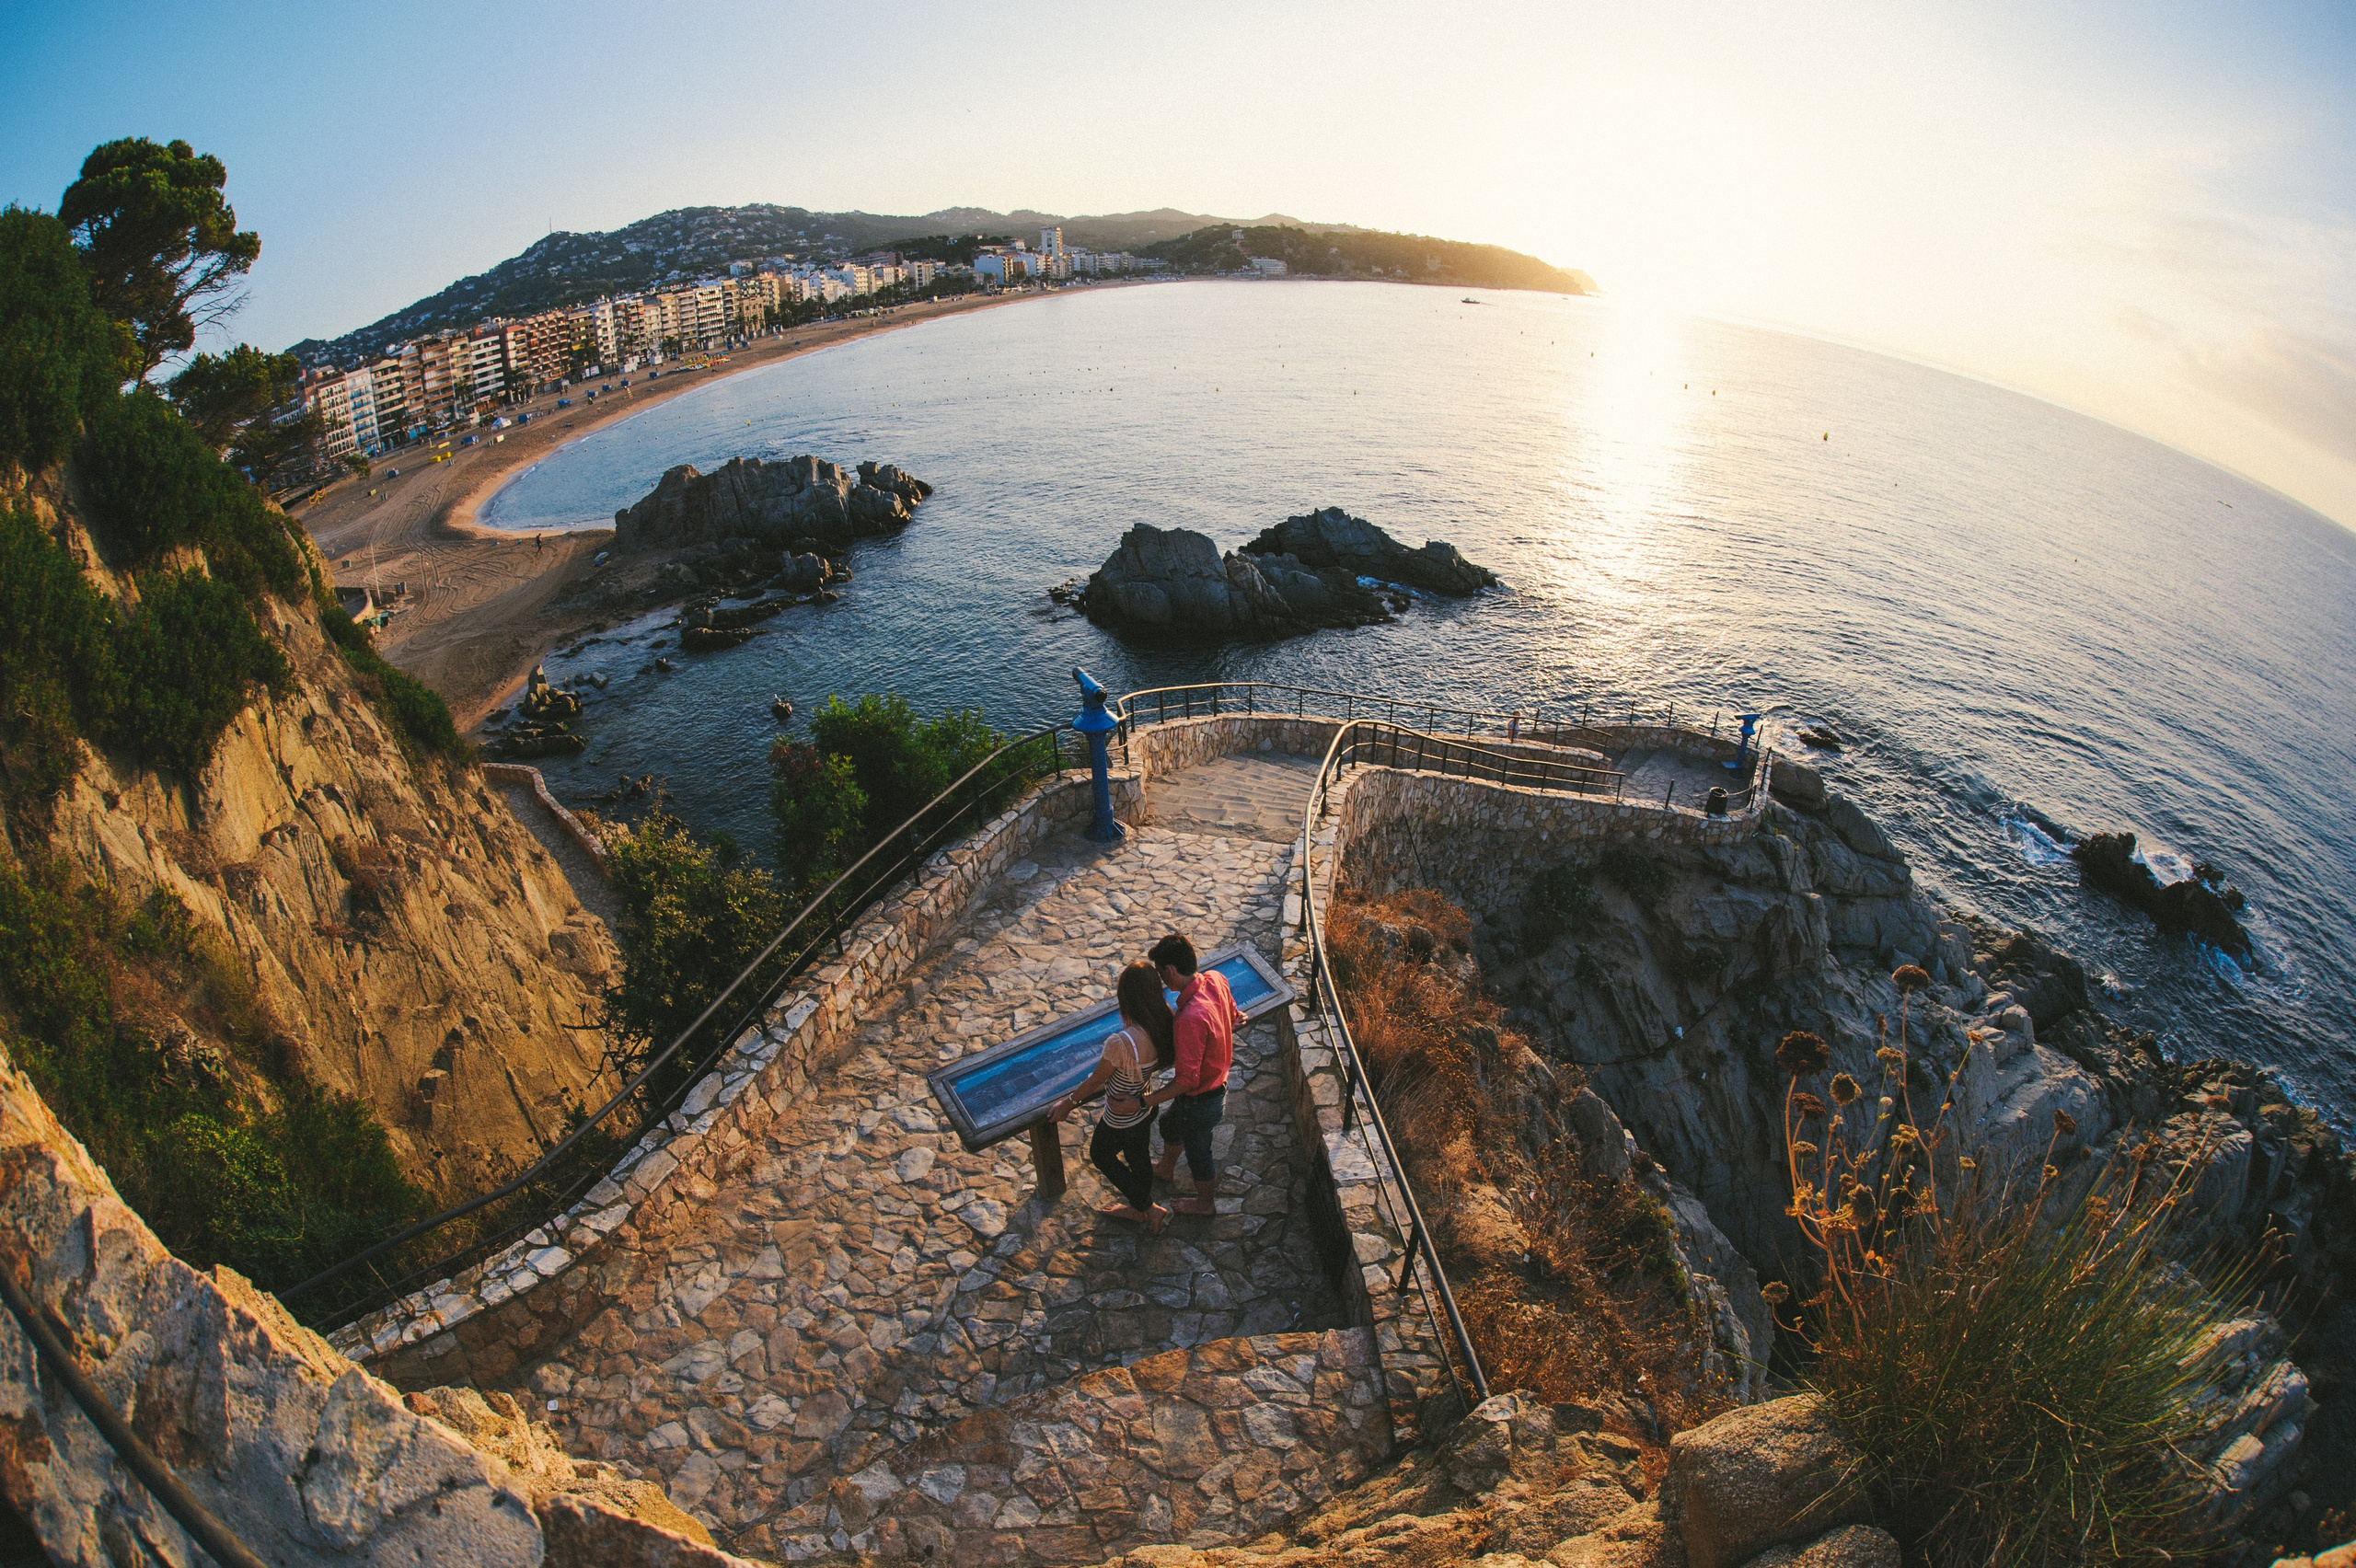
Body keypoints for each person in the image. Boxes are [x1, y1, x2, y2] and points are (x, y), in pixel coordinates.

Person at [1050, 963, 1173, 1231]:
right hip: (1143, 1106)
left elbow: (1096, 1080)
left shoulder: (1121, 1042)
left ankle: (1148, 1208)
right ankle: (1139, 1209)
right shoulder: (1165, 1023)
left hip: (1120, 1116)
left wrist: (1068, 1103)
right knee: (1138, 1155)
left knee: (1101, 1154)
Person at [1143, 932, 1243, 1216]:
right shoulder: (1216, 979)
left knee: (1200, 1153)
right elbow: (1233, 1012)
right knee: (1169, 1125)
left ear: (1171, 971)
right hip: (1215, 1089)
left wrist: (1146, 1100)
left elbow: (1187, 1080)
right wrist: (1233, 1019)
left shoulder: (1189, 1018)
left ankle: (1205, 1204)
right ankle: (1165, 1168)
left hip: (1201, 1101)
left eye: (1162, 975)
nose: (1163, 982)